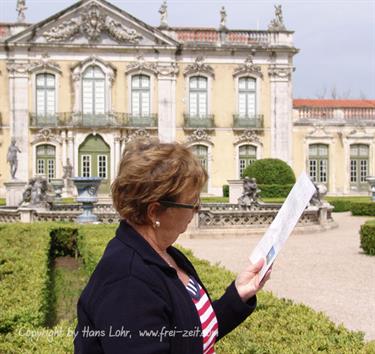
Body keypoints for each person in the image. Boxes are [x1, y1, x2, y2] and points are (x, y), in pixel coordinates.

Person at [74, 139, 271, 354]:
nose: (197, 210)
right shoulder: (128, 283)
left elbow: (189, 333)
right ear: (155, 212)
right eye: (192, 203)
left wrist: (238, 294)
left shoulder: (164, 254)